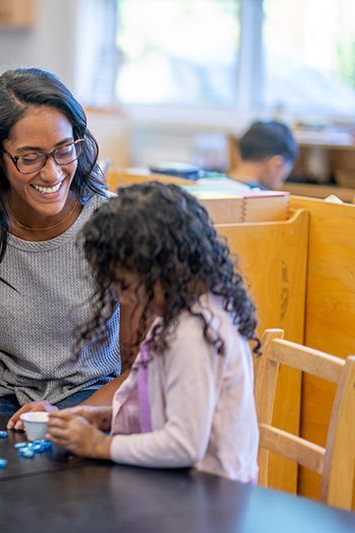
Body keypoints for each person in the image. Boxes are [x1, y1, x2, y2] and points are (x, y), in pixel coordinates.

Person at [0, 67, 126, 432]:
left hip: (97, 398)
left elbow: (141, 371)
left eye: (64, 150)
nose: (52, 174)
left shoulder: (118, 222)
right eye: (30, 157)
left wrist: (69, 416)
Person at [47, 181, 260, 483]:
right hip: (186, 485)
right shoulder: (181, 310)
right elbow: (162, 405)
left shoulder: (193, 333)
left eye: (128, 286)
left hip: (210, 498)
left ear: (164, 271)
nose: (126, 299)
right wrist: (106, 417)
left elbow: (184, 445)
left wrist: (101, 444)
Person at [227, 120, 298, 190]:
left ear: (237, 155)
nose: (280, 183)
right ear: (276, 165)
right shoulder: (267, 199)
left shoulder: (217, 184)